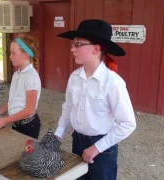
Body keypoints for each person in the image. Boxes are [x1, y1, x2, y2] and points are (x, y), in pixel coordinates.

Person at [54, 19, 137, 180]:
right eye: (73, 44)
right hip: (77, 142)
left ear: (96, 49)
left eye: (78, 45)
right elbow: (68, 107)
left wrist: (97, 148)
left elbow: (128, 123)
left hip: (103, 149)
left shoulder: (113, 82)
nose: (72, 49)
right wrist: (58, 134)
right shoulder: (74, 77)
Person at [0, 35, 41, 139]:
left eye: (13, 53)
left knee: (25, 153)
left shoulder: (31, 77)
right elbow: (13, 100)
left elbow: (30, 110)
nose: (10, 56)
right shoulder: (17, 74)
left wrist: (4, 121)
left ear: (25, 55)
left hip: (28, 126)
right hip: (16, 122)